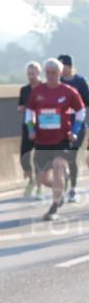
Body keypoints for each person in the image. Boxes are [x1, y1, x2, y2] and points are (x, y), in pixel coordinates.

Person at [25, 58, 86, 221]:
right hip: (43, 140)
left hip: (62, 139)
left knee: (58, 166)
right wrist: (31, 128)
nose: (50, 76)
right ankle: (60, 188)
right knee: (44, 178)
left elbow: (81, 112)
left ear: (60, 73)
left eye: (54, 73)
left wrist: (75, 130)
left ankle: (54, 207)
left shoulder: (68, 91)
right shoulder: (37, 91)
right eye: (48, 73)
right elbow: (29, 111)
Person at [59, 54, 89, 203]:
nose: (59, 69)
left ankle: (73, 189)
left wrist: (74, 105)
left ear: (69, 66)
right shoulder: (57, 83)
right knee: (61, 158)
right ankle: (64, 179)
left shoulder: (80, 81)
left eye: (62, 66)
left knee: (71, 157)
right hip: (60, 128)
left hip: (78, 126)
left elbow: (87, 103)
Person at [18, 61, 42, 198]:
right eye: (28, 74)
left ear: (38, 73)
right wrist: (25, 107)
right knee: (24, 157)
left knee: (39, 158)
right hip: (27, 125)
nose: (30, 76)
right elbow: (20, 106)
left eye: (33, 73)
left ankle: (39, 188)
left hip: (42, 126)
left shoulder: (45, 88)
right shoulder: (24, 90)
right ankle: (31, 180)